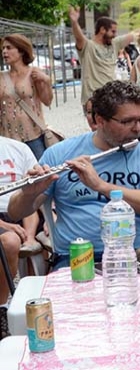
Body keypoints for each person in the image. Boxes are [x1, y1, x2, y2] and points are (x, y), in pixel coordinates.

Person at [7, 81, 140, 270]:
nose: (138, 129)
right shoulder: (60, 153)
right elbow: (15, 212)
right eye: (127, 121)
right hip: (78, 256)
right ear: (100, 120)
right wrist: (28, 193)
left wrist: (101, 186)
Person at [0, 34, 53, 253]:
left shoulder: (34, 74)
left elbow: (47, 101)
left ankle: (49, 220)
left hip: (33, 136)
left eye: (9, 48)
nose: (4, 52)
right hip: (8, 135)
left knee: (40, 182)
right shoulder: (1, 77)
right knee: (14, 182)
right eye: (3, 48)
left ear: (21, 50)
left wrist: (46, 82)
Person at [68, 6, 140, 106]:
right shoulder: (88, 46)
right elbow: (79, 37)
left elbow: (136, 32)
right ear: (102, 30)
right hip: (92, 99)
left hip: (110, 97)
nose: (115, 35)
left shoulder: (115, 44)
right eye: (113, 31)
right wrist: (74, 22)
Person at [0, 136, 40, 321]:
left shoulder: (18, 148)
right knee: (10, 241)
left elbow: (36, 187)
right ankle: (2, 308)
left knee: (27, 196)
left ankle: (30, 238)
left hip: (21, 206)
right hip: (2, 218)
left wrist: (52, 216)